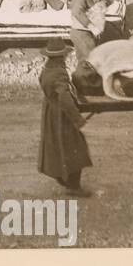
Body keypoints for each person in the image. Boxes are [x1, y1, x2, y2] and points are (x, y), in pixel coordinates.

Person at [37, 39, 94, 197]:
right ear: (60, 57)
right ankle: (73, 186)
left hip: (50, 113)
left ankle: (61, 176)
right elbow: (64, 98)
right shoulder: (59, 73)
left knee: (56, 146)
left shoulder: (47, 69)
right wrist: (77, 118)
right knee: (76, 148)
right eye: (63, 56)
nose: (65, 58)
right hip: (61, 116)